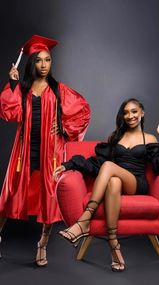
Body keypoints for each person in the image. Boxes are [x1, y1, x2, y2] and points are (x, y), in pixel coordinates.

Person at [0, 35, 91, 266]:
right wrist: (11, 84)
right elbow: (9, 113)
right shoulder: (22, 89)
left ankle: (42, 244)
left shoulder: (59, 90)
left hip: (50, 153)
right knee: (10, 195)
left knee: (48, 199)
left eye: (47, 60)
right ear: (32, 63)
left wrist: (63, 126)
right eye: (39, 60)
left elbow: (83, 111)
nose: (43, 65)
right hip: (24, 153)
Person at [54, 98, 159, 272]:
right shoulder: (116, 137)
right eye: (125, 112)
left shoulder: (149, 138)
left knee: (109, 167)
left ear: (142, 113)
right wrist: (69, 165)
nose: (130, 116)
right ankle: (114, 245)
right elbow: (96, 164)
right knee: (113, 180)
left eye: (134, 111)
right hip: (116, 182)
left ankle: (85, 220)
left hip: (137, 184)